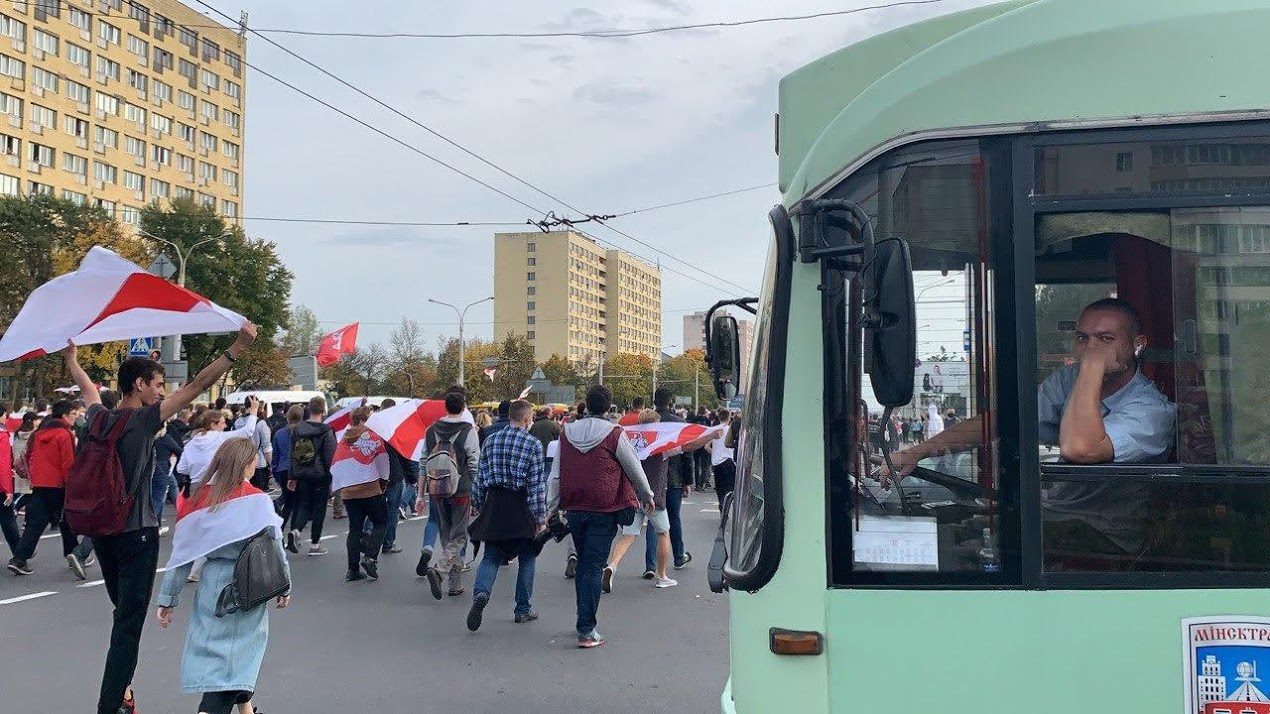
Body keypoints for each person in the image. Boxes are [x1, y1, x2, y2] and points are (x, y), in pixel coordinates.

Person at [880, 298, 1176, 557]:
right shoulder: (1069, 380)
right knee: (950, 528)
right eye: (1082, 338)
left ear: (1137, 345)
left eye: (1105, 339)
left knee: (972, 548)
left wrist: (1092, 367)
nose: (1090, 348)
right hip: (1055, 514)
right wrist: (917, 452)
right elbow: (1002, 422)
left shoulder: (1151, 412)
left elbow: (1079, 449)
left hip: (1104, 535)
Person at [66, 322, 259, 714]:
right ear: (139, 385)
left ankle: (122, 692)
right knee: (128, 626)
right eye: (157, 385)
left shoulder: (98, 417)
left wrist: (72, 360)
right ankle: (111, 705)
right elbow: (198, 385)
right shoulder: (142, 421)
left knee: (122, 613)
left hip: (101, 532)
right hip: (136, 533)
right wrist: (238, 346)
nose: (163, 392)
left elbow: (88, 390)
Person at [156, 438, 290, 714]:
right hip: (248, 581)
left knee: (218, 653)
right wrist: (284, 586)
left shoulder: (201, 500)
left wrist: (168, 598)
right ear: (248, 464)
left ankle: (245, 709)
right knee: (238, 656)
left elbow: (182, 556)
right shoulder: (257, 500)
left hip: (212, 583)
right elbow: (275, 548)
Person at [547, 384, 655, 649]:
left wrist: (551, 509)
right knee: (593, 567)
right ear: (608, 407)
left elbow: (556, 474)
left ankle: (582, 620)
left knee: (584, 564)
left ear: (587, 404)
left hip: (574, 507)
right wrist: (647, 495)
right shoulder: (614, 433)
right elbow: (633, 467)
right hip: (604, 509)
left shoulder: (566, 432)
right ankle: (586, 629)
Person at [607, 409, 713, 590]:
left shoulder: (629, 443)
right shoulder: (660, 446)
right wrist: (709, 436)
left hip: (633, 497)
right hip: (654, 497)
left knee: (628, 535)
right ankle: (662, 576)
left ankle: (612, 565)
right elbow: (688, 446)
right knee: (663, 533)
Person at [466, 399, 546, 630]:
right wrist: (540, 519)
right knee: (527, 557)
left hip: (496, 504)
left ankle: (481, 593)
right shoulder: (533, 444)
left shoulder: (491, 441)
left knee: (491, 554)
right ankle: (522, 609)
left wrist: (478, 504)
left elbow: (480, 477)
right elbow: (536, 485)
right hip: (521, 505)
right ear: (526, 419)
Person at [7, 400, 95, 578]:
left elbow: (30, 457)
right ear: (64, 415)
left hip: (40, 484)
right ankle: (75, 554)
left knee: (35, 524)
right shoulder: (65, 434)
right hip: (58, 485)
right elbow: (67, 462)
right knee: (66, 520)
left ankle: (18, 559)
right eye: (73, 414)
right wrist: (72, 484)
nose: (75, 417)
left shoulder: (39, 434)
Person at [419, 392, 480, 599]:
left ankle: (455, 584)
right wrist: (477, 489)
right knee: (459, 535)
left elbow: (423, 462)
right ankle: (441, 569)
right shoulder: (468, 431)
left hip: (436, 487)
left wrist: (420, 494)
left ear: (445, 407)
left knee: (446, 534)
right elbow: (474, 463)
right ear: (463, 408)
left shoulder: (431, 431)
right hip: (461, 488)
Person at [332, 407, 389, 582]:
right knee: (381, 522)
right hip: (370, 489)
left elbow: (336, 464)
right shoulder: (373, 437)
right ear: (364, 420)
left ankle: (352, 569)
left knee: (354, 529)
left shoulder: (342, 440)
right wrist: (383, 483)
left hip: (349, 492)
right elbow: (383, 462)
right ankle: (370, 557)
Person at [286, 396, 337, 557]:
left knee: (304, 505)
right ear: (323, 411)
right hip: (320, 474)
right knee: (319, 509)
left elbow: (292, 454)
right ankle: (315, 544)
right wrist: (331, 478)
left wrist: (292, 476)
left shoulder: (297, 429)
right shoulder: (326, 431)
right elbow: (329, 457)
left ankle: (296, 530)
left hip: (302, 473)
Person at [175, 404, 261, 490]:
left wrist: (196, 471)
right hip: (216, 486)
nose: (225, 426)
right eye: (222, 423)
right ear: (213, 425)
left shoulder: (191, 443)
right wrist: (254, 411)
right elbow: (247, 431)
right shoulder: (219, 438)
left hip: (195, 488)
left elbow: (181, 468)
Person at [653, 388, 693, 569]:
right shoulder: (679, 422)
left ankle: (651, 563)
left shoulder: (647, 422)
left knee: (653, 519)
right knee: (674, 517)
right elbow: (686, 454)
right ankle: (678, 555)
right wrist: (688, 481)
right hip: (674, 478)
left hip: (652, 478)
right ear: (670, 402)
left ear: (655, 401)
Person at [377, 398, 414, 553]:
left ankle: (368, 536)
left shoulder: (373, 426)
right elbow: (405, 455)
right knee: (392, 510)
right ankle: (388, 543)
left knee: (375, 508)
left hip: (376, 474)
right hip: (394, 474)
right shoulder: (397, 428)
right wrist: (412, 476)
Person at [271, 405, 303, 528]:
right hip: (298, 470)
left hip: (283, 469)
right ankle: (294, 531)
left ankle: (281, 527)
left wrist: (275, 472)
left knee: (288, 503)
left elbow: (275, 455)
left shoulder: (279, 433)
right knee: (298, 503)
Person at [235, 403, 273, 492]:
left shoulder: (237, 422)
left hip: (240, 462)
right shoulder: (261, 423)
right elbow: (266, 447)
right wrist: (271, 464)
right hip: (258, 463)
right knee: (258, 493)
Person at [152, 426, 183, 526]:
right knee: (159, 497)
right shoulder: (164, 438)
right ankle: (154, 523)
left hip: (148, 469)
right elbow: (179, 451)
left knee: (156, 496)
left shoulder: (146, 436)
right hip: (163, 469)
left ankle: (156, 524)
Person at [0, 409, 18, 556]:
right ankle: (19, 554)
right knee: (7, 520)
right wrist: (8, 490)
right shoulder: (2, 436)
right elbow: (3, 464)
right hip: (1, 487)